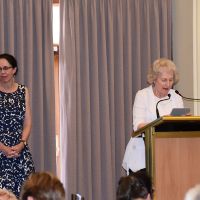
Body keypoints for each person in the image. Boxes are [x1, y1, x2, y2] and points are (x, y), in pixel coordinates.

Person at [122, 58, 184, 173]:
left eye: (171, 80)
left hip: (170, 154)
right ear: (154, 79)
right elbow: (138, 126)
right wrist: (161, 123)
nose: (168, 84)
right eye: (164, 80)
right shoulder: (142, 95)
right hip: (143, 157)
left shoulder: (176, 97)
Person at [0, 53, 35, 198]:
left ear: (14, 69)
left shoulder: (23, 90)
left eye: (6, 68)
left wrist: (22, 143)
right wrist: (3, 148)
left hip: (20, 150)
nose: (2, 72)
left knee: (30, 192)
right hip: (1, 151)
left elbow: (27, 121)